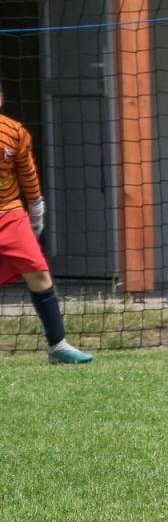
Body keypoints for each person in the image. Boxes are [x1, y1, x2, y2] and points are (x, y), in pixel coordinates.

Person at [0, 82, 92, 363]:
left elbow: (26, 171)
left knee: (38, 272)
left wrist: (36, 207)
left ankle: (58, 346)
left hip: (10, 212)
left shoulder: (14, 132)